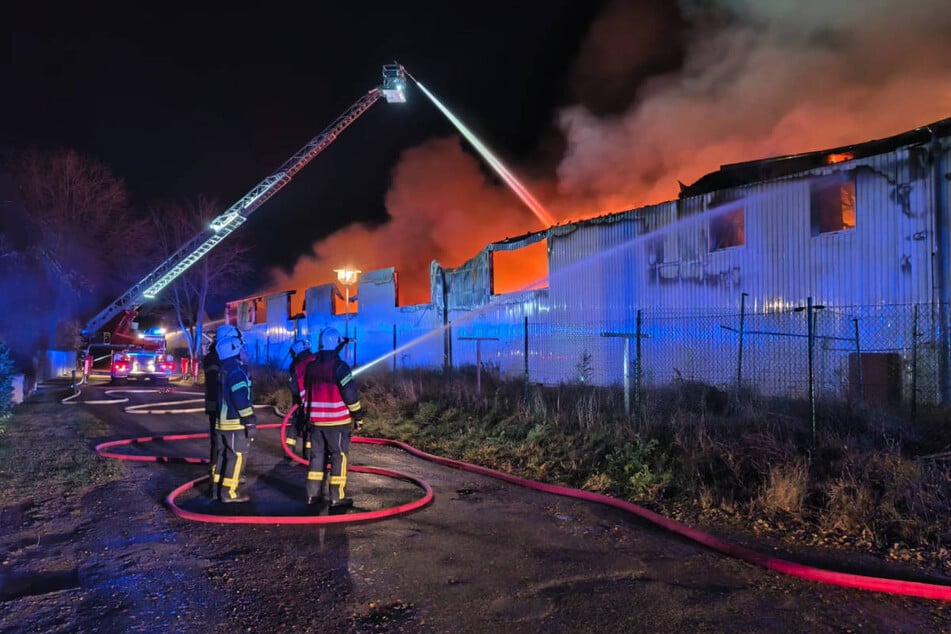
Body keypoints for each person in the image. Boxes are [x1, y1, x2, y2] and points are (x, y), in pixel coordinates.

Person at [301, 327, 365, 508]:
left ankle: (312, 495)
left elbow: (306, 393)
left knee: (316, 457)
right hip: (336, 423)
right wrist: (358, 415)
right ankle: (337, 497)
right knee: (339, 457)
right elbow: (350, 394)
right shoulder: (340, 367)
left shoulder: (311, 367)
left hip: (315, 422)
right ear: (336, 344)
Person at [211, 324, 257, 503]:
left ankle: (216, 489)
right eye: (241, 348)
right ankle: (229, 493)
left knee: (222, 456)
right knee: (237, 457)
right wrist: (249, 420)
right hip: (234, 423)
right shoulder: (237, 371)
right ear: (234, 349)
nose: (244, 351)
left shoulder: (224, 368)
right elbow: (240, 399)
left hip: (221, 423)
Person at [285, 338, 315, 460]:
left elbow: (292, 385)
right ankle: (308, 455)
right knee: (309, 426)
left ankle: (289, 452)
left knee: (296, 424)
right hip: (312, 401)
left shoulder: (296, 365)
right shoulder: (314, 360)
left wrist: (299, 399)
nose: (292, 356)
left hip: (300, 401)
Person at [202, 335, 221, 499]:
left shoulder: (211, 357)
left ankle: (216, 477)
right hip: (217, 404)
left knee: (217, 441)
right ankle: (215, 480)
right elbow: (216, 383)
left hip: (213, 403)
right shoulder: (215, 359)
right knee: (218, 441)